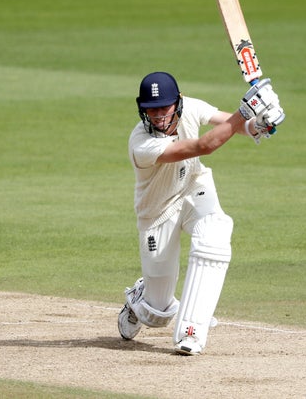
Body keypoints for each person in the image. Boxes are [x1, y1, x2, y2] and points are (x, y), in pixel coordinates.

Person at [118, 71, 284, 355]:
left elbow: (232, 124)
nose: (158, 115)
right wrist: (245, 111)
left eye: (164, 107)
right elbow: (203, 146)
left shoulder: (191, 107)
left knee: (216, 231)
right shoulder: (141, 143)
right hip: (158, 212)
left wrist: (258, 123)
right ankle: (141, 296)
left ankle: (192, 330)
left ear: (178, 102)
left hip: (194, 186)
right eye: (151, 109)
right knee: (157, 312)